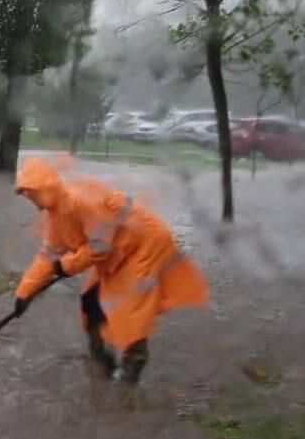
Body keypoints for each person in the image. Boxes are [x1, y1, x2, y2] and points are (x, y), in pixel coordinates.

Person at [13, 156, 208, 384]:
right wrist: (24, 292)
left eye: (31, 192)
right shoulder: (55, 215)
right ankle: (101, 363)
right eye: (26, 193)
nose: (29, 198)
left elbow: (99, 247)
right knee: (91, 303)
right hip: (117, 254)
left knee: (132, 310)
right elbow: (49, 255)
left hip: (142, 246)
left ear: (45, 187)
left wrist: (66, 266)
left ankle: (131, 369)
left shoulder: (81, 202)